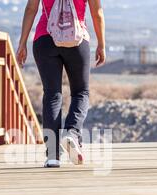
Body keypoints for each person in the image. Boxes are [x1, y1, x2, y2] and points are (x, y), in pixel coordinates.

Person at [17, 0, 106, 168]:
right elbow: (97, 13)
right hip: (77, 40)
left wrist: (22, 43)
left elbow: (31, 9)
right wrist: (101, 44)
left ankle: (52, 155)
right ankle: (72, 132)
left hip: (45, 39)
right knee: (81, 92)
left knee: (52, 94)